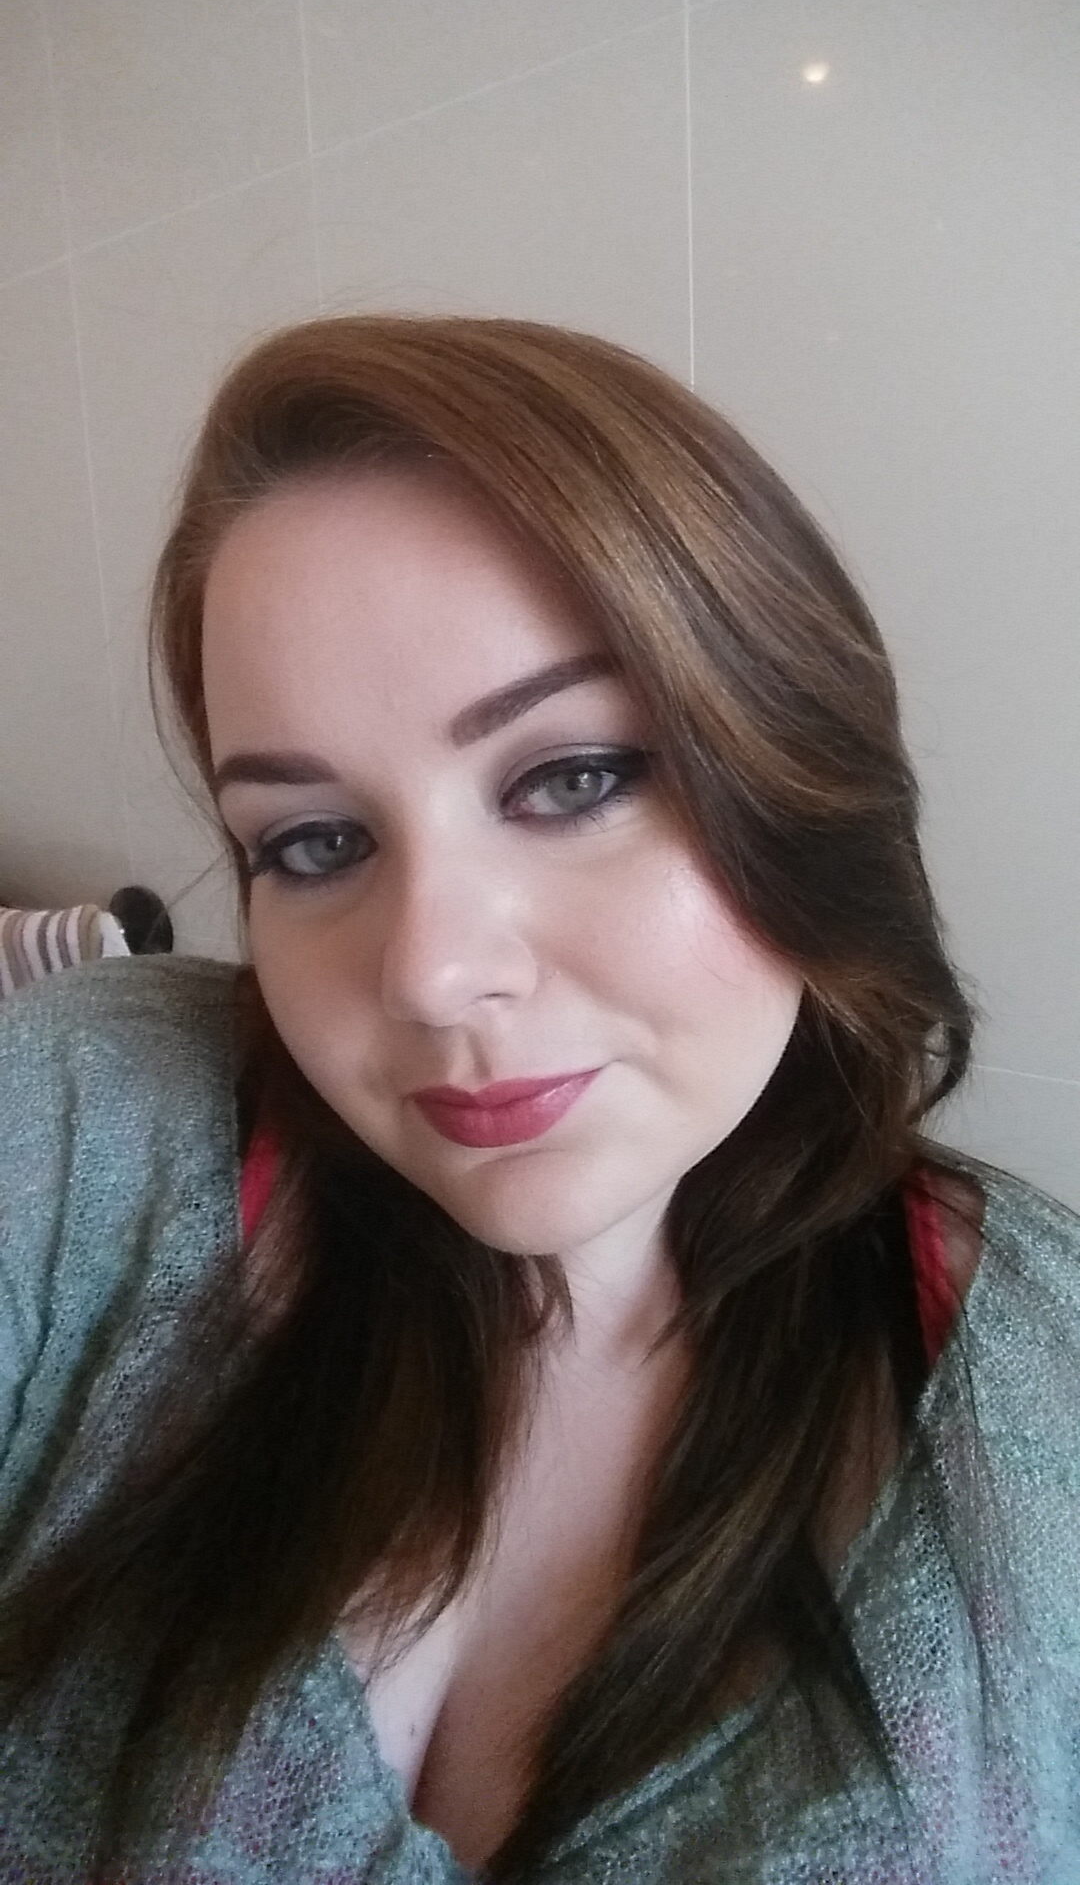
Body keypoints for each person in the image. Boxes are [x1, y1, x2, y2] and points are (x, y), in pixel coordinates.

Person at [0, 315, 1077, 1884]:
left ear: (792, 774)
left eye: (574, 779)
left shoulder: (1045, 1406)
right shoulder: (81, 1127)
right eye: (313, 844)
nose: (431, 975)